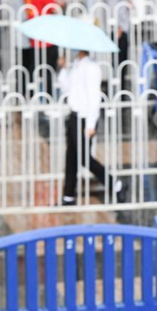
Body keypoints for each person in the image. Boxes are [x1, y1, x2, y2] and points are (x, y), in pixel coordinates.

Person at [58, 50, 126, 206]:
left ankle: (115, 184)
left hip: (85, 117)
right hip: (74, 115)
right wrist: (63, 69)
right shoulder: (76, 66)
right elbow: (67, 89)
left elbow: (94, 98)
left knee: (84, 158)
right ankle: (68, 195)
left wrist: (90, 124)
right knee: (72, 157)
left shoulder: (92, 68)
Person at [24, 0, 61, 95]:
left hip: (35, 35)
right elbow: (54, 8)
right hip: (47, 36)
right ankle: (48, 98)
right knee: (49, 71)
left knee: (35, 70)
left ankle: (34, 97)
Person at [9, 0, 35, 96]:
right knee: (23, 67)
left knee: (28, 67)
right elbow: (24, 13)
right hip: (22, 37)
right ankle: (23, 94)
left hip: (27, 36)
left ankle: (25, 93)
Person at [103, 0, 133, 68]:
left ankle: (121, 83)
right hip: (118, 28)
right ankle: (118, 84)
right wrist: (117, 26)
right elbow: (112, 5)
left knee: (123, 60)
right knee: (118, 61)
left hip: (122, 26)